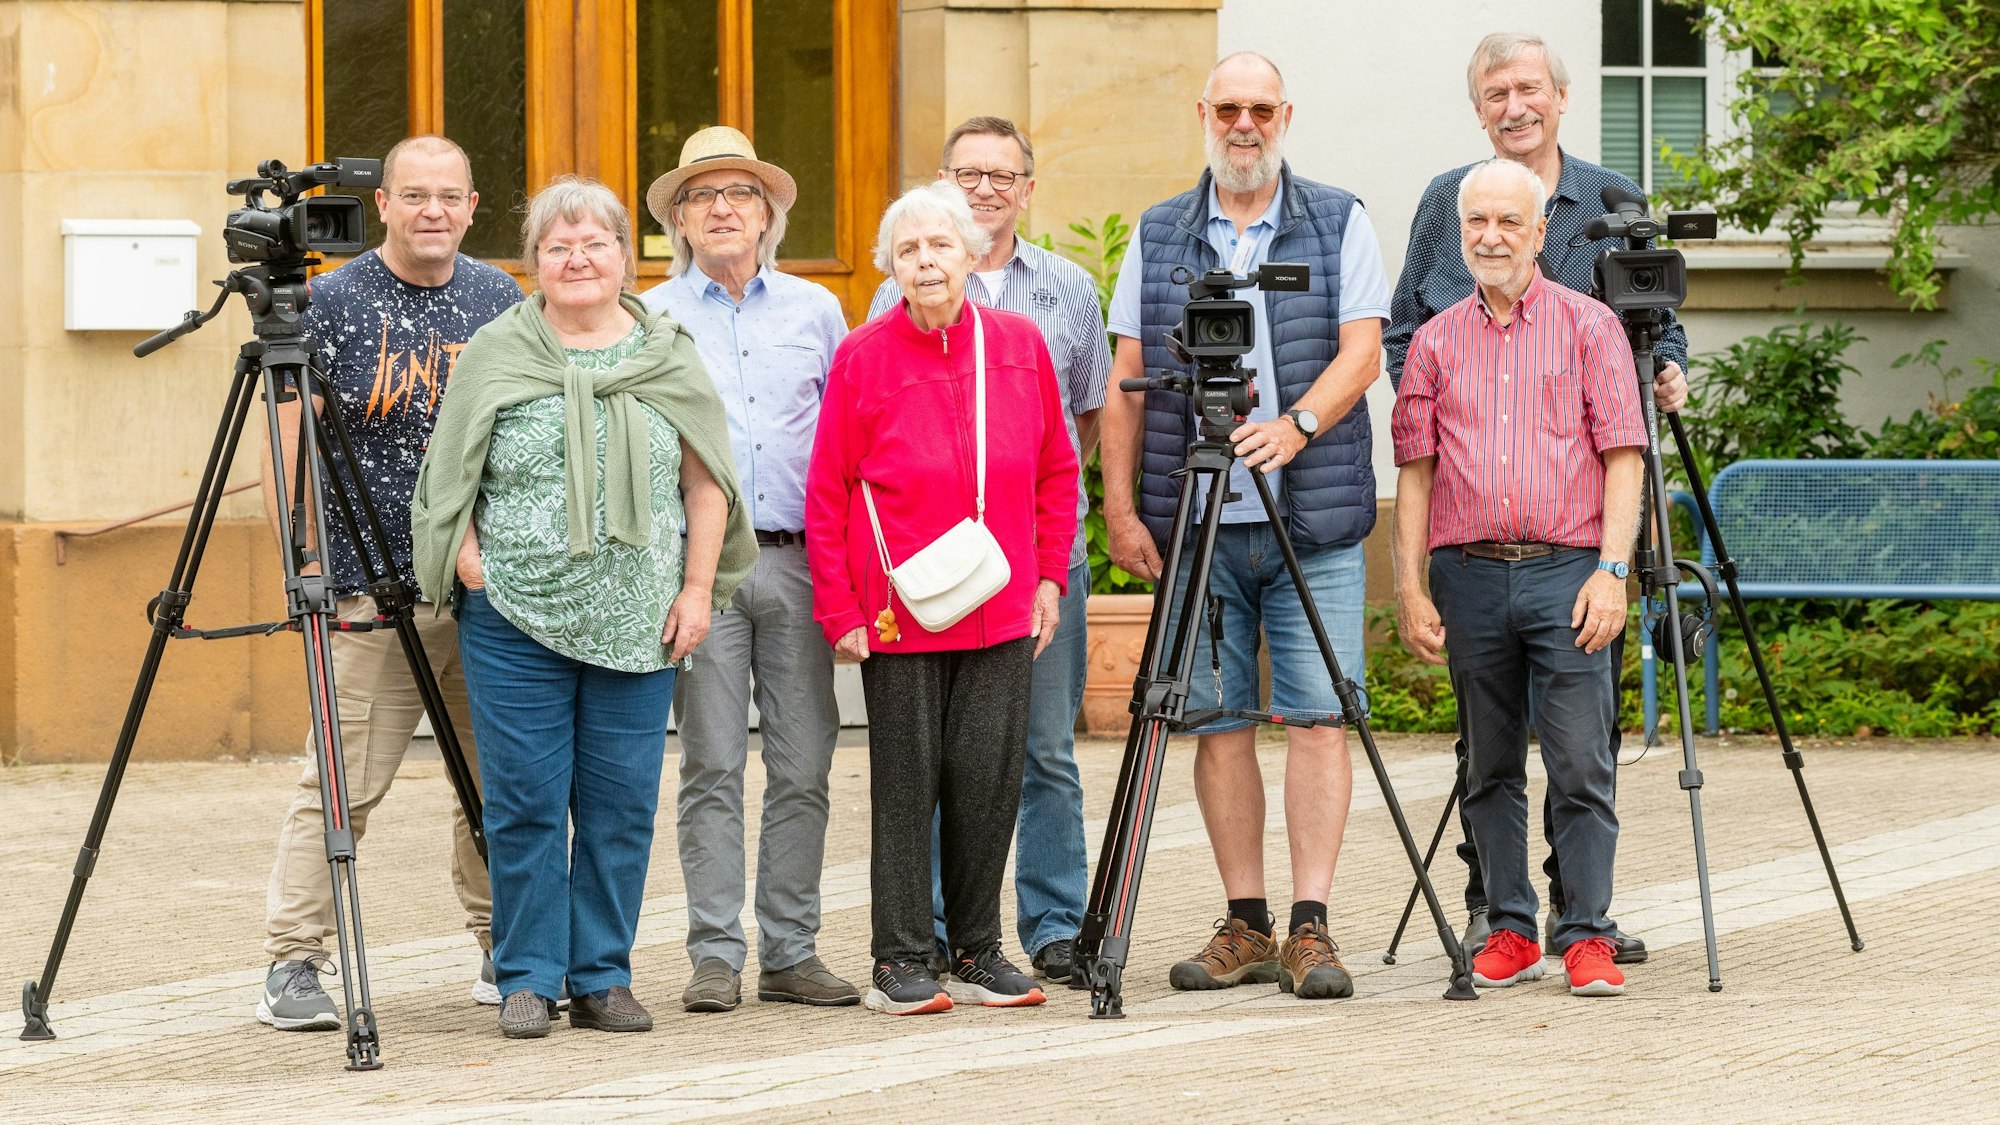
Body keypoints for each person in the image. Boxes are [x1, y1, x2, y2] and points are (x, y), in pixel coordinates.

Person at [411, 175, 757, 1038]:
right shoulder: (497, 349)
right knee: (524, 800)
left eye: (593, 243)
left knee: (618, 804)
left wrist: (697, 588)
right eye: (557, 246)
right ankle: (527, 974)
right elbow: (448, 471)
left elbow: (707, 479)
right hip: (515, 615)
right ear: (534, 261)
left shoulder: (667, 352)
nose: (576, 258)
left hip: (641, 618)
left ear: (622, 257)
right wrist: (466, 559)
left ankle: (601, 973)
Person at [1385, 31, 1684, 963]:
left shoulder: (1608, 197)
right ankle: (1501, 911)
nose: (1513, 105)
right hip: (1473, 535)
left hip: (1574, 533)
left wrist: (1664, 372)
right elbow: (1406, 329)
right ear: (1479, 106)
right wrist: (1439, 391)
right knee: (1490, 754)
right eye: (1494, 92)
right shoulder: (1446, 200)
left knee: (1579, 744)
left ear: (1559, 97)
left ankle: (1583, 917)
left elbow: (1658, 332)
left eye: (1528, 88)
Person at [1099, 52, 1390, 1001]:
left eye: (1262, 109)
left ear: (1286, 116)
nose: (1245, 124)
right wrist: (1119, 506)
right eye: (1229, 108)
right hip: (1196, 514)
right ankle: (1247, 920)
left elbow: (1363, 351)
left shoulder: (1338, 217)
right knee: (1217, 724)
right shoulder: (1159, 231)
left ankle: (1312, 924)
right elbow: (1127, 379)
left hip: (1310, 508)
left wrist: (1296, 423)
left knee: (1316, 718)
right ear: (1203, 114)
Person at [255, 134, 521, 1032]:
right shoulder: (329, 303)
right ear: (386, 205)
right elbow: (286, 435)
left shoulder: (499, 297)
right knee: (341, 782)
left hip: (484, 590)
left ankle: (505, 949)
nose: (432, 211)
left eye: (449, 195)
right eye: (415, 195)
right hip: (368, 591)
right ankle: (294, 962)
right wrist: (303, 559)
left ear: (474, 205)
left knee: (499, 783)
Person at [807, 182, 1078, 1016]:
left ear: (972, 255)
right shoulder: (862, 354)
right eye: (910, 249)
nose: (926, 261)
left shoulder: (1019, 343)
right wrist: (840, 611)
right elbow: (827, 490)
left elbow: (1056, 470)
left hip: (998, 604)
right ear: (891, 265)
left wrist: (1049, 576)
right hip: (899, 610)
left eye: (941, 246)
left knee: (987, 778)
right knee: (907, 781)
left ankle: (978, 946)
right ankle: (898, 957)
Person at [866, 115, 1110, 986]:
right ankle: (929, 933)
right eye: (967, 172)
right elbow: (860, 449)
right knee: (932, 757)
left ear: (1026, 189)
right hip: (920, 579)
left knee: (1037, 750)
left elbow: (1076, 432)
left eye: (1001, 174)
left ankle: (1048, 926)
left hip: (1032, 571)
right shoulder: (887, 303)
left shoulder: (1068, 293)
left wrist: (1046, 559)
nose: (984, 187)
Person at [638, 127, 858, 1013]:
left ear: (768, 213)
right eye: (701, 197)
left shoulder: (816, 311)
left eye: (739, 194)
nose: (722, 209)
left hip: (804, 564)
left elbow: (848, 442)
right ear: (680, 221)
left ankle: (792, 949)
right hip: (706, 573)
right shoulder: (652, 317)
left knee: (806, 762)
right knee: (711, 764)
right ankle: (715, 953)